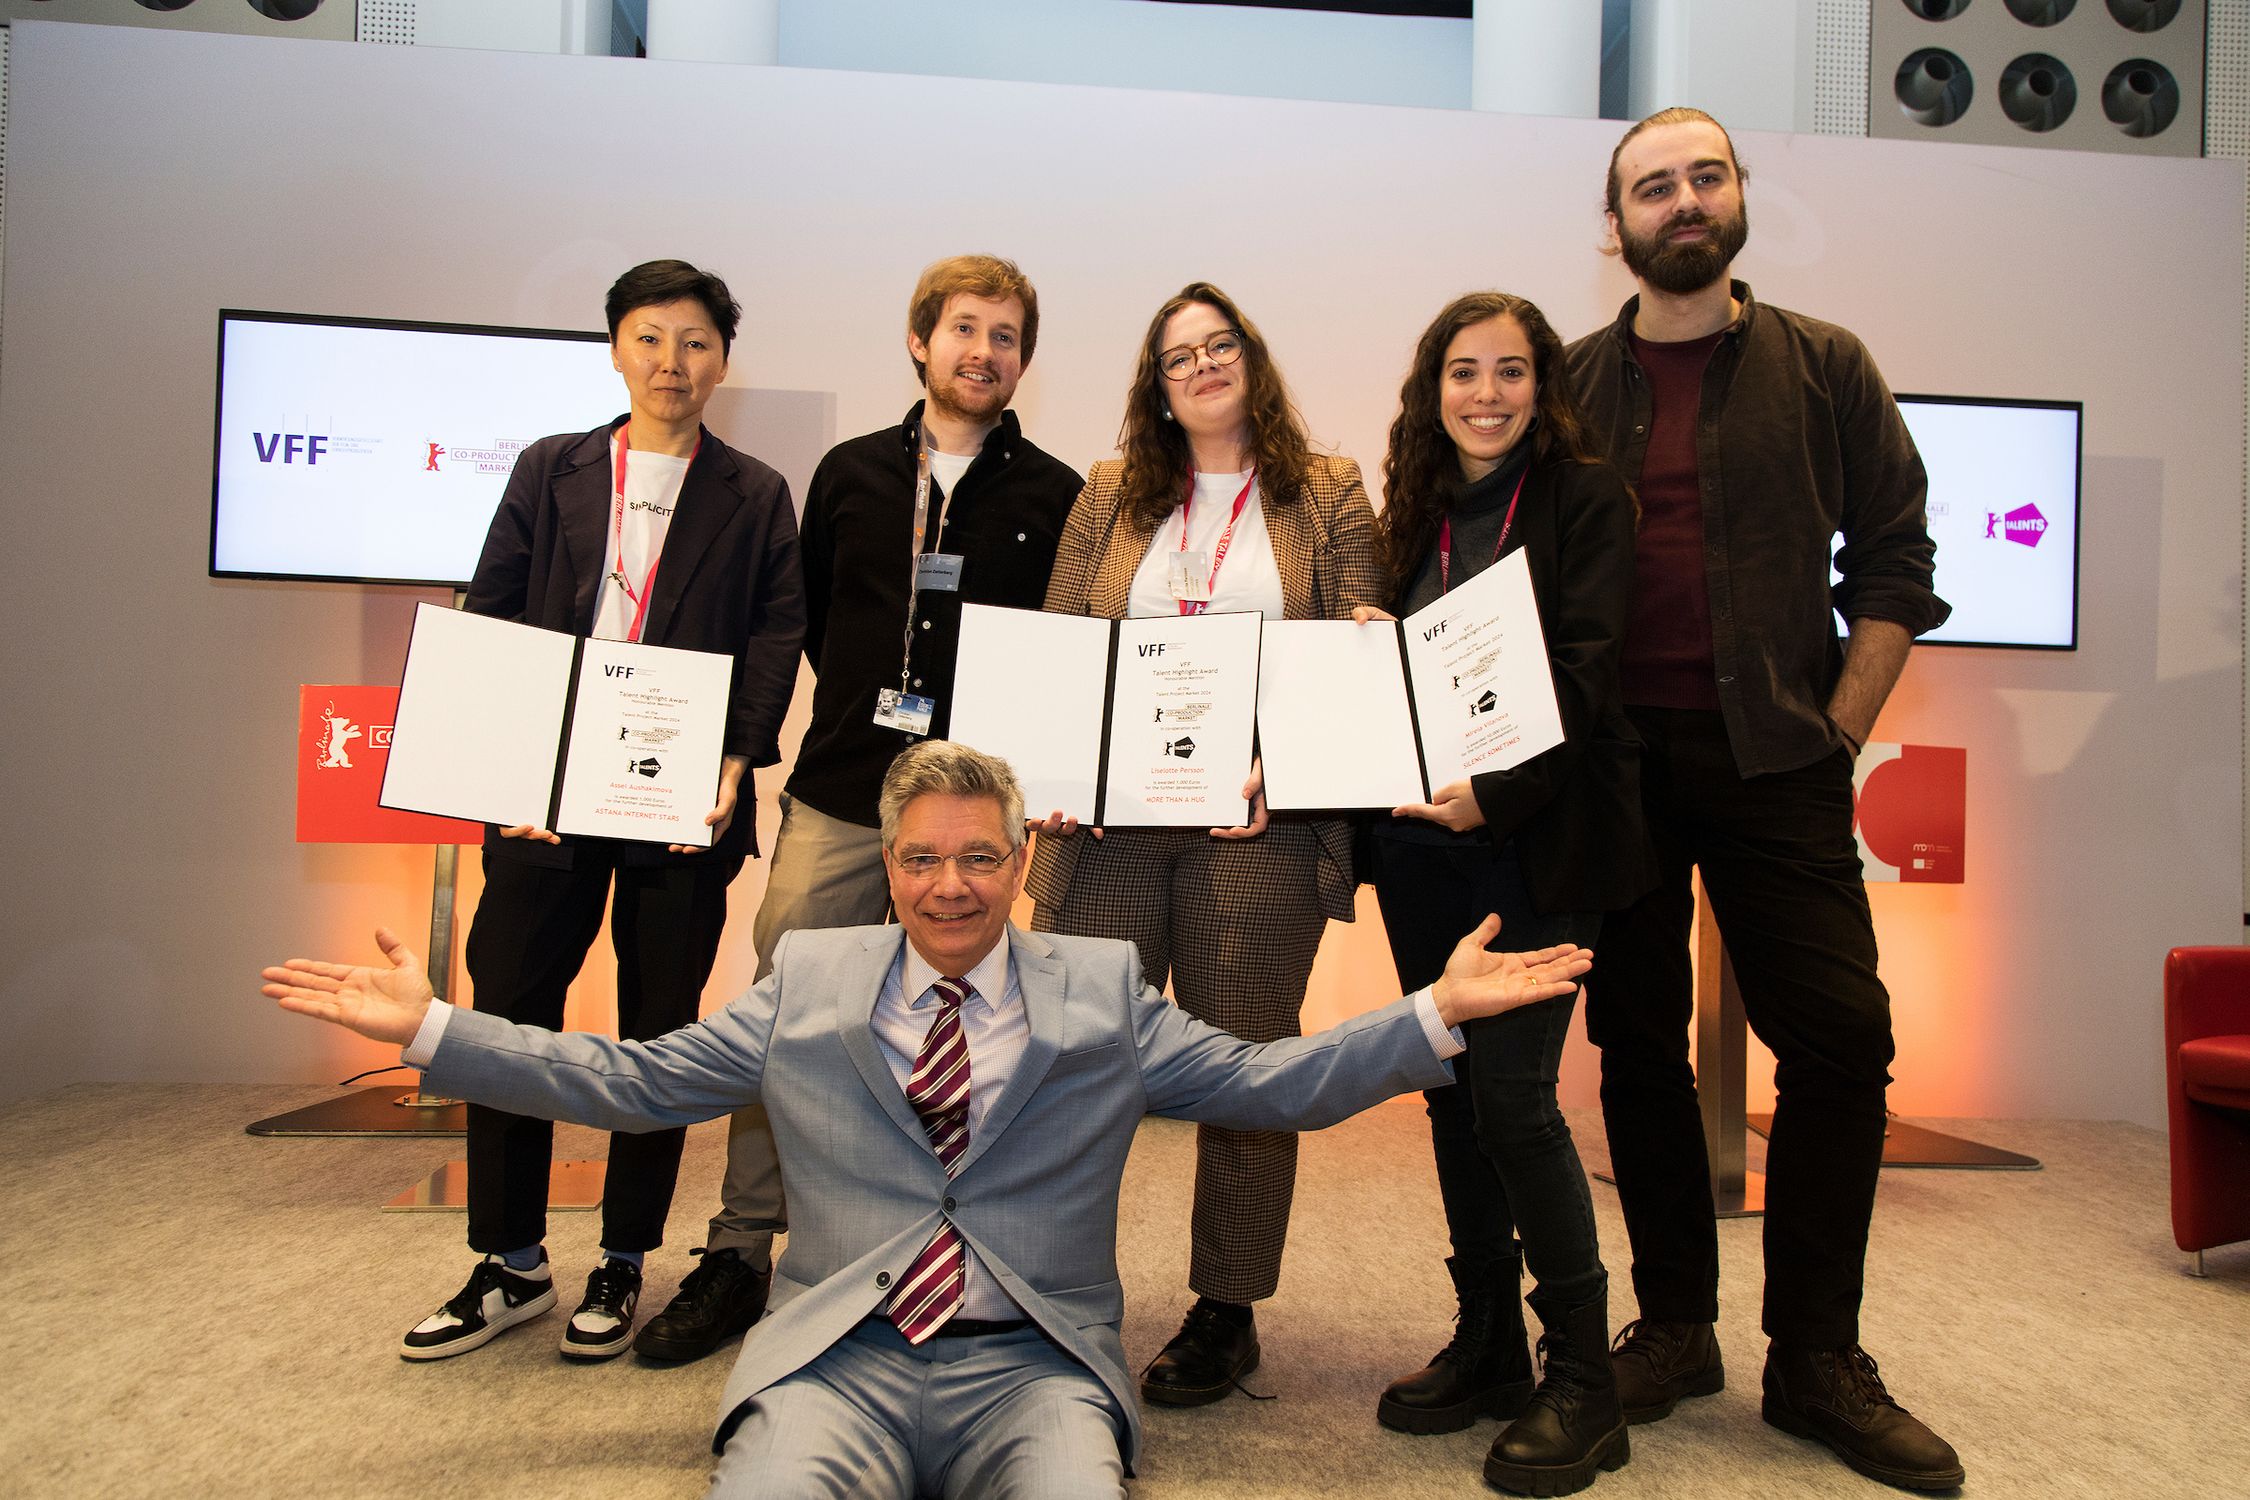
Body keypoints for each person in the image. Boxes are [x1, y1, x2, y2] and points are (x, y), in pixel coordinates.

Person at [264, 741, 1596, 1500]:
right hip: (837, 1363)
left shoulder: (1099, 991)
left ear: (1020, 863)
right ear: (887, 866)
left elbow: (1262, 1088)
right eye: (918, 858)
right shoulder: (808, 984)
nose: (948, 887)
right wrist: (432, 1030)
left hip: (1032, 1371)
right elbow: (631, 1083)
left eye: (977, 858)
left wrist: (1432, 1013)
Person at [1564, 108, 1963, 1491]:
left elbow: (1899, 560)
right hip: (1615, 767)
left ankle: (1815, 1357)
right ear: (1611, 226)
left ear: (1735, 201)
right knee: (1634, 1044)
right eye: (1651, 187)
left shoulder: (1822, 367)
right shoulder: (1569, 386)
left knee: (1842, 1044)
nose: (1682, 201)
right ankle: (1674, 1327)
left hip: (1775, 760)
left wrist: (1840, 731)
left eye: (1703, 177)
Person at [636, 255, 1082, 1363]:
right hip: (844, 792)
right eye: (965, 328)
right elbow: (813, 623)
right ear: (919, 340)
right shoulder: (844, 476)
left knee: (964, 1035)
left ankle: (932, 1250)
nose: (984, 351)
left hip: (976, 821)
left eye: (1007, 335)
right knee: (789, 1009)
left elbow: (1072, 654)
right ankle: (740, 1249)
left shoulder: (1058, 494)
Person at [423, 259, 805, 1362]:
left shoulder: (756, 492)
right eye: (650, 338)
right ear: (615, 349)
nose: (672, 364)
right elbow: (492, 614)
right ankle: (508, 1260)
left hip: (680, 805)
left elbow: (776, 636)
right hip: (544, 801)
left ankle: (627, 1257)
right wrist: (509, 773)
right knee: (506, 1021)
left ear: (722, 361)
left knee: (661, 1032)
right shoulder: (553, 470)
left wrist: (738, 759)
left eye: (694, 343)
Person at [1028, 281, 1386, 1406]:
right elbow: (1063, 650)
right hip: (1116, 829)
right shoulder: (1108, 493)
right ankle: (1043, 1283)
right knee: (1070, 1059)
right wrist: (1054, 772)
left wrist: (1287, 765)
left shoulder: (1327, 493)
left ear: (1252, 359)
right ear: (1156, 383)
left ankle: (1226, 1311)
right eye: (1178, 354)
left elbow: (1356, 664)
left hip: (1258, 831)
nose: (1202, 365)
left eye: (1219, 344)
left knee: (1243, 1067)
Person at [1358, 291, 1654, 1495]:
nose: (1487, 394)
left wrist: (1495, 793)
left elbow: (1586, 673)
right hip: (1424, 848)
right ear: (1433, 390)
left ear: (1544, 385)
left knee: (1520, 1103)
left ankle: (1582, 1381)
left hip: (1540, 839)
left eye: (1512, 371)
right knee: (1452, 1096)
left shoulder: (1587, 499)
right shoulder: (1412, 514)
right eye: (1464, 372)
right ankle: (1487, 1343)